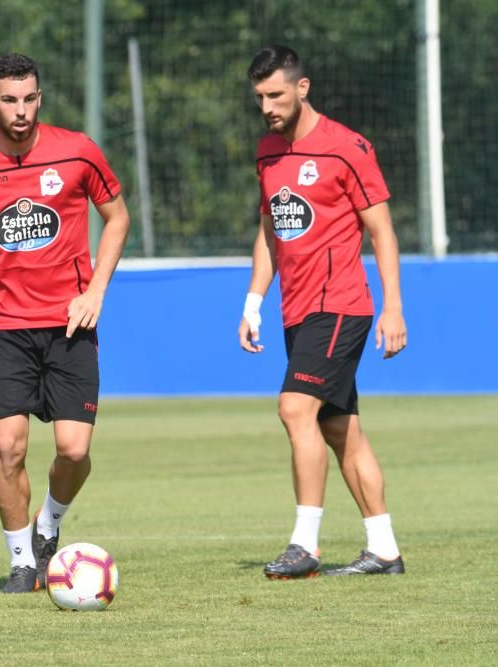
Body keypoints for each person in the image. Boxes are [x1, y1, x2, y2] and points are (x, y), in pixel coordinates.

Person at [0, 53, 130, 593]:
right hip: (6, 329)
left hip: (70, 326)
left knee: (74, 451)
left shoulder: (78, 151)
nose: (21, 110)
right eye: (9, 100)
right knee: (8, 446)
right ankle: (22, 562)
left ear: (40, 97)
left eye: (30, 98)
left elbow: (119, 218)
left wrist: (96, 291)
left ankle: (49, 523)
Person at [239, 45, 407, 578]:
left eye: (276, 94)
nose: (267, 106)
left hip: (340, 306)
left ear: (302, 88)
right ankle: (383, 550)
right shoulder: (267, 152)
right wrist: (253, 303)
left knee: (294, 408)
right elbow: (269, 231)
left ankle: (304, 544)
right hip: (296, 311)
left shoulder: (346, 147)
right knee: (341, 431)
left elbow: (381, 231)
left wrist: (393, 308)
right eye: (260, 97)